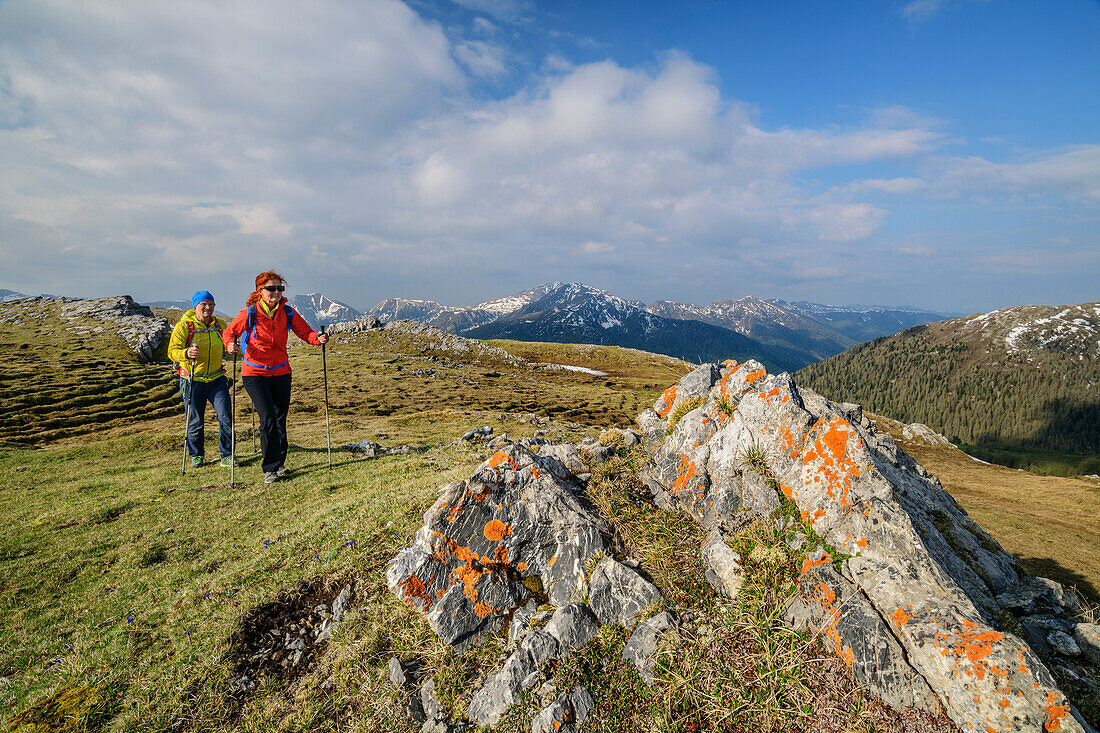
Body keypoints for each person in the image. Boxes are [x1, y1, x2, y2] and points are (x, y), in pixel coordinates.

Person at [224, 271, 328, 483]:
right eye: (271, 288)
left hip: (282, 371)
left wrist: (318, 339)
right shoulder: (249, 314)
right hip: (254, 373)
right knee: (268, 418)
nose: (277, 292)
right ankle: (269, 468)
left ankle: (280, 464)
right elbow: (228, 332)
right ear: (259, 291)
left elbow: (305, 333)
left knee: (280, 419)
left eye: (280, 288)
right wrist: (229, 345)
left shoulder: (288, 313)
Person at [167, 290, 237, 468]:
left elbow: (228, 341)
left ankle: (227, 455)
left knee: (225, 416)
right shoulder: (184, 326)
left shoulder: (219, 325)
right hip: (192, 379)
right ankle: (196, 455)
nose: (208, 308)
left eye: (211, 304)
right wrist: (186, 353)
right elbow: (172, 352)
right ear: (196, 306)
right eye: (203, 304)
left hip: (216, 379)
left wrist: (232, 347)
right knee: (195, 420)